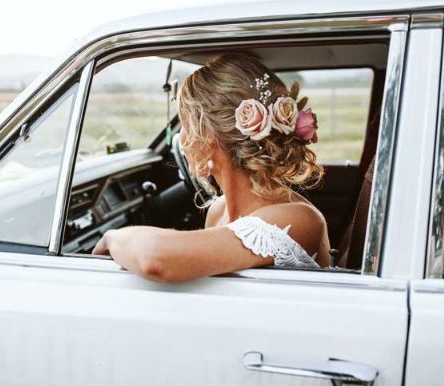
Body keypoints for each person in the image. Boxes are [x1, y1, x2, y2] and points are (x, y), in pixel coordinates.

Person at [92, 53, 330, 282]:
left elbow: (156, 258)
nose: (181, 140)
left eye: (186, 124)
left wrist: (111, 237)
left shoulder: (301, 218)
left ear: (211, 136)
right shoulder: (218, 210)